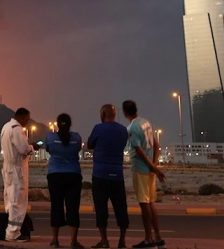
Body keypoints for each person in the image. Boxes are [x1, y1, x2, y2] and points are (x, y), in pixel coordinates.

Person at [122, 100, 166, 249]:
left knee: (144, 204)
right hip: (149, 171)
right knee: (151, 203)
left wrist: (153, 168)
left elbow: (139, 151)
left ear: (124, 113)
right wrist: (154, 167)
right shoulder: (146, 123)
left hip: (140, 169)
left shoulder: (132, 128)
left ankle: (149, 239)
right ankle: (158, 237)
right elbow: (157, 146)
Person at [87, 104, 129, 249]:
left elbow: (90, 144)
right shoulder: (123, 130)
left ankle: (104, 240)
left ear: (102, 114)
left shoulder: (98, 128)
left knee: (101, 208)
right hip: (117, 174)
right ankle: (122, 240)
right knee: (121, 208)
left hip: (100, 174)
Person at [0, 107, 39, 242]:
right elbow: (23, 149)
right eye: (27, 120)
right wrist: (32, 147)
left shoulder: (6, 127)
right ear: (22, 117)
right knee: (18, 201)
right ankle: (13, 233)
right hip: (17, 170)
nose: (27, 123)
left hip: (8, 168)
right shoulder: (16, 129)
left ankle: (9, 229)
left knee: (10, 201)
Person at [45, 113, 84, 248]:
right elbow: (78, 149)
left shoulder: (50, 137)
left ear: (57, 124)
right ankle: (73, 241)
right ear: (70, 124)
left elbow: (48, 149)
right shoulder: (77, 138)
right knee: (73, 207)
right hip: (73, 174)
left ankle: (55, 240)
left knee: (56, 206)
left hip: (55, 174)